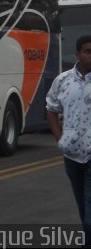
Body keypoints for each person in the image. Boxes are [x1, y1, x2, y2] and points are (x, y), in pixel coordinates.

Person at [47, 34, 91, 245]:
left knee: (90, 214)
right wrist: (60, 139)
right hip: (72, 155)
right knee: (83, 207)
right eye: (88, 52)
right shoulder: (63, 80)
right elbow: (51, 109)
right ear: (78, 54)